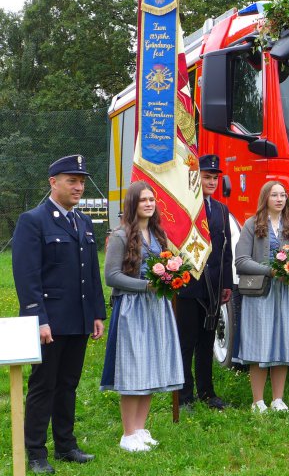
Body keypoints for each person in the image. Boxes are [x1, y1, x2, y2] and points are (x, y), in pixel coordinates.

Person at [12, 154, 106, 474]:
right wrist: (39, 319)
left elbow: (91, 272)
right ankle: (36, 452)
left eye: (81, 181)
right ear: (53, 183)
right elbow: (27, 276)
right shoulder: (34, 220)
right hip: (50, 321)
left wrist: (96, 312)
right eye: (72, 181)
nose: (79, 187)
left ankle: (66, 445)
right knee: (44, 385)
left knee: (68, 384)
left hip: (78, 318)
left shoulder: (83, 221)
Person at [100, 181, 184, 451]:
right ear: (133, 204)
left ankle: (139, 429)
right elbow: (111, 276)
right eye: (143, 200)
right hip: (132, 309)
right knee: (133, 369)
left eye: (151, 199)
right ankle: (127, 433)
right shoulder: (122, 235)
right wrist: (144, 286)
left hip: (156, 308)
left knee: (150, 367)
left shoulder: (158, 234)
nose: (149, 204)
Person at [234, 181, 289, 413]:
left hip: (286, 292)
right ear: (265, 198)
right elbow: (241, 260)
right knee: (260, 343)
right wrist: (269, 270)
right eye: (275, 195)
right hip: (261, 293)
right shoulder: (252, 224)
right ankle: (258, 401)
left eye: (283, 195)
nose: (279, 199)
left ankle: (278, 399)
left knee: (283, 343)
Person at [176, 154, 233, 410]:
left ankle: (207, 392)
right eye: (206, 177)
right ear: (196, 178)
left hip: (214, 286)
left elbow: (226, 250)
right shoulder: (186, 207)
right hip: (190, 286)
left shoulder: (221, 209)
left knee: (207, 341)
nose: (211, 182)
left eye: (214, 178)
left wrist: (227, 284)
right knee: (187, 341)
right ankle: (184, 395)